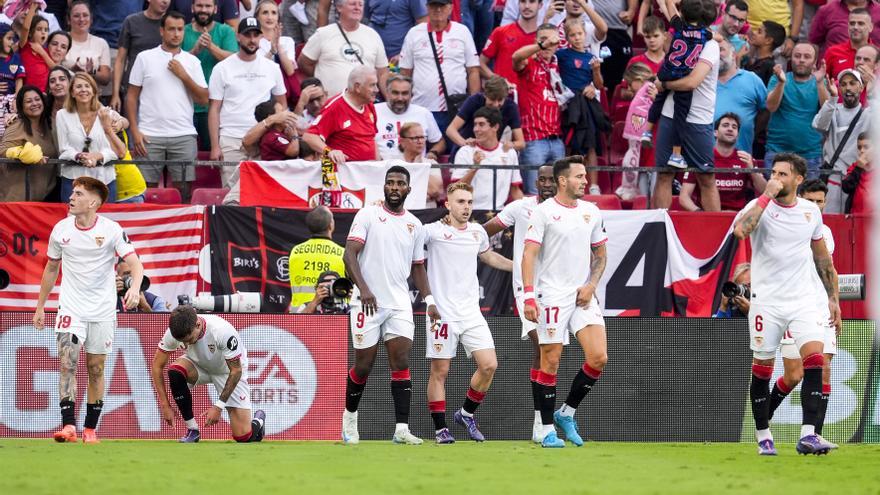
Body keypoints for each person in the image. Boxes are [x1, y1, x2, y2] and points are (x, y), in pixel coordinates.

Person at [732, 153, 841, 456]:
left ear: (798, 179)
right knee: (762, 369)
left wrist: (833, 298)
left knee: (815, 360)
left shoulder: (810, 212)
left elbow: (822, 258)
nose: (776, 178)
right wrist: (766, 196)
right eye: (774, 173)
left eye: (783, 174)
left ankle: (809, 435)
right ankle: (763, 435)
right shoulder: (759, 206)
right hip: (767, 302)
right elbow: (741, 231)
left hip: (803, 301)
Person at [33, 176, 143, 443]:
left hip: (103, 310)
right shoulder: (61, 229)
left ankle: (90, 429)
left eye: (79, 194)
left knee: (96, 368)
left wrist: (135, 288)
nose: (71, 198)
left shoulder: (112, 229)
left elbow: (135, 264)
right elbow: (51, 268)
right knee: (67, 362)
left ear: (93, 203)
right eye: (73, 193)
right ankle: (68, 426)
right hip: (71, 307)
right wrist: (40, 306)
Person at [341, 165, 440, 445]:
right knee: (364, 365)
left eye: (400, 183)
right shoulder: (368, 214)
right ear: (384, 186)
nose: (394, 187)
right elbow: (349, 255)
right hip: (366, 303)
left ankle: (401, 429)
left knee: (401, 361)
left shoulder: (414, 225)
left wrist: (430, 300)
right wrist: (364, 289)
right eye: (390, 182)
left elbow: (418, 267)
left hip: (398, 303)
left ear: (408, 189)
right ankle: (350, 419)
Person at [521, 156, 609, 448]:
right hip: (551, 295)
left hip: (582, 293)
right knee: (551, 360)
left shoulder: (591, 211)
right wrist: (529, 296)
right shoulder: (543, 212)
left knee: (598, 357)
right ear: (563, 180)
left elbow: (601, 255)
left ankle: (566, 413)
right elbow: (529, 255)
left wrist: (591, 285)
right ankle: (547, 430)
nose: (585, 181)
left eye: (585, 176)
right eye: (579, 176)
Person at [423, 182, 512, 443]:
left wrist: (519, 267)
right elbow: (404, 235)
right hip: (442, 315)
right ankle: (441, 430)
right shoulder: (432, 232)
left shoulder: (477, 232)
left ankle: (465, 413)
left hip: (471, 313)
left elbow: (489, 257)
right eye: (460, 202)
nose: (466, 207)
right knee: (440, 371)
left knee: (489, 365)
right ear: (447, 204)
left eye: (470, 202)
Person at [481, 163, 556, 442]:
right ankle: (541, 422)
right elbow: (483, 232)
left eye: (551, 180)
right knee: (543, 346)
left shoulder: (566, 211)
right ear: (536, 182)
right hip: (527, 289)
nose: (546, 184)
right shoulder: (520, 207)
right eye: (542, 180)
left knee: (547, 352)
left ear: (560, 182)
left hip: (556, 288)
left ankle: (542, 420)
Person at [766, 179, 839, 449]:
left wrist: (835, 302)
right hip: (792, 306)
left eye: (821, 201)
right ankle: (764, 417)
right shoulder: (785, 228)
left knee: (823, 369)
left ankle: (812, 436)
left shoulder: (825, 232)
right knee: (794, 375)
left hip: (820, 307)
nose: (816, 206)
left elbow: (828, 268)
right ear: (801, 199)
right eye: (811, 201)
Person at [150, 305, 266, 443]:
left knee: (243, 437)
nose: (185, 344)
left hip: (227, 371)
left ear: (198, 324)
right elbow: (157, 366)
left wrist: (218, 406)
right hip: (199, 366)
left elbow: (236, 371)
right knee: (175, 372)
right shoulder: (174, 332)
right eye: (182, 342)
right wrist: (165, 405)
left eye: (189, 339)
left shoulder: (222, 331)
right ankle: (192, 429)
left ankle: (258, 420)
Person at [126, 11, 207, 202]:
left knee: (184, 193)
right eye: (171, 29)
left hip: (183, 134)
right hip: (149, 135)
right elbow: (131, 96)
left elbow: (204, 99)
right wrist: (135, 131)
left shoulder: (192, 62)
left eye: (180, 29)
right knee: (145, 192)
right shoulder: (144, 58)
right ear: (162, 31)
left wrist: (184, 75)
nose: (176, 34)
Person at [651, 0, 720, 209]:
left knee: (706, 177)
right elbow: (670, 8)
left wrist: (663, 84)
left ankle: (717, 227)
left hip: (699, 119)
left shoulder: (711, 46)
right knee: (664, 174)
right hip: (671, 114)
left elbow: (691, 83)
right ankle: (660, 225)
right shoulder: (682, 35)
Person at [208, 16, 286, 194]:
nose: (252, 39)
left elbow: (282, 104)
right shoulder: (222, 68)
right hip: (231, 138)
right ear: (238, 36)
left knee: (261, 192)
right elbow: (214, 109)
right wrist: (215, 146)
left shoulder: (272, 68)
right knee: (231, 195)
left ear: (261, 37)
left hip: (263, 139)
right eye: (247, 35)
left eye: (256, 35)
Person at [642, 0, 716, 170]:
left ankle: (647, 131)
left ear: (683, 14)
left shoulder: (679, 26)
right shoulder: (705, 34)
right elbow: (715, 36)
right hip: (682, 75)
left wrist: (670, 2)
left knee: (658, 100)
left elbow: (670, 9)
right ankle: (676, 155)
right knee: (680, 117)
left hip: (666, 70)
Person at [398, 0, 480, 136]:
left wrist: (474, 104)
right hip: (422, 107)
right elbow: (405, 72)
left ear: (450, 8)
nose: (438, 10)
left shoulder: (462, 32)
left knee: (456, 147)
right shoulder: (414, 33)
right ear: (427, 8)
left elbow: (473, 70)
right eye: (434, 6)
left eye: (442, 5)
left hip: (456, 108)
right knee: (422, 147)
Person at [55, 73, 127, 203]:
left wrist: (98, 156)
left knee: (105, 216)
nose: (83, 90)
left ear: (93, 91)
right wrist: (79, 156)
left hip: (104, 180)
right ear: (72, 92)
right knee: (73, 216)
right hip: (72, 181)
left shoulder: (106, 113)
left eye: (87, 86)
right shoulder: (62, 115)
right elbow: (64, 148)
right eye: (78, 87)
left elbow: (118, 152)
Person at [513, 24, 566, 195]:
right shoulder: (529, 63)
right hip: (534, 140)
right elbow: (516, 57)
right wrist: (541, 46)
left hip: (557, 139)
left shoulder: (560, 65)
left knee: (559, 195)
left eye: (552, 41)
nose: (548, 44)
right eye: (543, 39)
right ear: (536, 41)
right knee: (533, 195)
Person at [297, 0, 389, 99]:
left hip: (364, 104)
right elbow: (304, 63)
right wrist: (324, 76)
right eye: (352, 4)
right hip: (330, 103)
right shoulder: (323, 34)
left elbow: (382, 73)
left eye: (360, 4)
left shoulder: (373, 35)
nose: (357, 8)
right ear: (339, 7)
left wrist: (388, 99)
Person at [765, 42, 828, 179]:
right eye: (797, 56)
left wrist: (819, 83)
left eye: (807, 57)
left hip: (810, 155)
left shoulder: (820, 82)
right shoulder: (778, 78)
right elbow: (771, 107)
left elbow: (827, 113)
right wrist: (781, 83)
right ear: (791, 58)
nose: (801, 60)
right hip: (777, 152)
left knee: (809, 193)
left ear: (814, 62)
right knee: (774, 192)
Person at [812, 68, 871, 213]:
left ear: (861, 87)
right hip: (832, 178)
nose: (848, 88)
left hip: (855, 179)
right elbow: (818, 126)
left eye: (852, 83)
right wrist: (832, 98)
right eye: (843, 84)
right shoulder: (833, 109)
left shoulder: (869, 114)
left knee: (851, 221)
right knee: (830, 221)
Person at [679, 112, 765, 212]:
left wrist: (752, 171)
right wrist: (701, 213)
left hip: (738, 217)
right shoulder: (701, 159)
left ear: (737, 135)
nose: (730, 129)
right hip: (709, 215)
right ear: (715, 132)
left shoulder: (746, 159)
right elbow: (684, 197)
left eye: (734, 127)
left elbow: (764, 191)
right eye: (725, 125)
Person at [557, 18, 604, 193]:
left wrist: (596, 72)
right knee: (568, 143)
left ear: (585, 35)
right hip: (569, 105)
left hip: (587, 105)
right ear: (567, 38)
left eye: (579, 34)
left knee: (590, 145)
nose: (577, 38)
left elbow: (599, 85)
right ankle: (564, 184)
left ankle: (594, 186)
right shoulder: (562, 55)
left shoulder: (591, 58)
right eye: (572, 35)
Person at [183, 0, 238, 151]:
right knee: (185, 156)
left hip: (215, 106)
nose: (204, 9)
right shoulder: (182, 30)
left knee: (213, 154)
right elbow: (174, 64)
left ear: (215, 9)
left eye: (208, 6)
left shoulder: (225, 31)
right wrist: (195, 50)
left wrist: (211, 46)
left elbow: (234, 61)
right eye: (200, 5)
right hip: (185, 105)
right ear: (192, 8)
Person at [302, 65, 379, 166]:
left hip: (367, 170)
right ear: (357, 87)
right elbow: (309, 137)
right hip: (341, 171)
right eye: (372, 85)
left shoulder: (369, 104)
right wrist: (329, 151)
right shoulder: (335, 107)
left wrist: (378, 165)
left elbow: (372, 139)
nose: (377, 90)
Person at [452, 107, 523, 210]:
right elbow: (455, 190)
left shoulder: (509, 153)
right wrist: (474, 168)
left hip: (498, 213)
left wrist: (528, 211)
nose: (476, 129)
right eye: (475, 124)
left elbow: (515, 190)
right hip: (469, 212)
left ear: (495, 127)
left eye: (481, 124)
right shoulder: (465, 152)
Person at [111, 0, 172, 112]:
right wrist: (115, 94)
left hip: (162, 92)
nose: (165, 2)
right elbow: (120, 60)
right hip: (133, 90)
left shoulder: (172, 24)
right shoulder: (131, 21)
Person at [0, 86, 59, 202]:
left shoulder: (49, 126)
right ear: (21, 106)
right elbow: (2, 150)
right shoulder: (16, 126)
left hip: (43, 195)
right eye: (28, 101)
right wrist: (23, 153)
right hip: (15, 196)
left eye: (37, 99)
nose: (34, 103)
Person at [446, 76, 525, 155]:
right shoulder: (474, 101)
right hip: (466, 153)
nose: (496, 104)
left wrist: (510, 145)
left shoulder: (510, 107)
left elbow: (521, 142)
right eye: (492, 99)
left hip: (491, 154)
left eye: (500, 100)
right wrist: (466, 144)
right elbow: (450, 130)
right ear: (485, 95)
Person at [714, 38, 768, 155]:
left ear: (733, 54)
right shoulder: (702, 79)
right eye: (713, 51)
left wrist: (749, 129)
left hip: (741, 155)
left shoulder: (752, 79)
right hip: (705, 156)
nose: (716, 54)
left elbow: (766, 111)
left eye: (721, 50)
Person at [288, 205, 345, 311]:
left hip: (300, 314)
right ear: (330, 225)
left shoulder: (295, 251)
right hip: (331, 315)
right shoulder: (342, 254)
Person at [374, 75, 444, 161]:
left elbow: (440, 142)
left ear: (411, 95)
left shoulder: (423, 113)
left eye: (405, 93)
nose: (400, 98)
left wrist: (432, 153)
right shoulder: (373, 111)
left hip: (416, 166)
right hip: (381, 165)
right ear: (387, 93)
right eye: (395, 93)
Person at [480, 0, 542, 85]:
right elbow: (480, 63)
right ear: (518, 4)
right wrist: (499, 81)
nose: (527, 6)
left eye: (532, 2)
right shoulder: (501, 32)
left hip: (531, 92)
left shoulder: (543, 39)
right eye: (523, 1)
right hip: (504, 92)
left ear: (540, 5)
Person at [389, 122, 445, 206]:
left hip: (426, 209)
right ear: (402, 141)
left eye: (422, 137)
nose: (420, 141)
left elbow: (435, 191)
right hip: (399, 208)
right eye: (415, 138)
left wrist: (418, 165)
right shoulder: (393, 163)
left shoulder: (431, 163)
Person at [63, 1, 112, 91]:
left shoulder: (101, 43)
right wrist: (71, 70)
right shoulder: (61, 40)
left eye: (85, 15)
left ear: (91, 19)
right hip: (66, 93)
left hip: (92, 95)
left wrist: (92, 71)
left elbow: (106, 79)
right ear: (68, 20)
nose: (81, 19)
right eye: (76, 16)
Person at [362, 0, 427, 60]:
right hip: (372, 55)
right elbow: (362, 19)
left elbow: (423, 25)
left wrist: (405, 54)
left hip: (399, 59)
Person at [822, 8, 873, 80]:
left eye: (861, 24)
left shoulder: (878, 54)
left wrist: (873, 81)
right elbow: (822, 81)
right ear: (848, 26)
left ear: (871, 27)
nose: (855, 27)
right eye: (852, 23)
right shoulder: (833, 52)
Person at [254, 0, 297, 83]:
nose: (270, 17)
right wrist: (271, 51)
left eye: (274, 13)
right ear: (257, 17)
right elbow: (257, 70)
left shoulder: (287, 41)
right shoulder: (253, 41)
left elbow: (290, 71)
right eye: (265, 12)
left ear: (278, 18)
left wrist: (278, 45)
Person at [809, 0, 880, 50]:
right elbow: (813, 43)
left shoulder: (878, 11)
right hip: (835, 64)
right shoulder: (827, 10)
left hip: (873, 65)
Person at [18, 4, 53, 91]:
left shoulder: (46, 51)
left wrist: (42, 52)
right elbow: (25, 28)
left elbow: (55, 68)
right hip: (26, 92)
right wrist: (33, 7)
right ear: (30, 33)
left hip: (42, 94)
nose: (43, 32)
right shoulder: (25, 45)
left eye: (46, 30)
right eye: (39, 29)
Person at [743, 20, 786, 85]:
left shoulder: (767, 65)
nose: (754, 33)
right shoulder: (758, 61)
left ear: (768, 40)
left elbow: (746, 84)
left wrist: (738, 58)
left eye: (759, 32)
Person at [841, 131, 874, 214]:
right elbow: (846, 187)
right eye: (859, 147)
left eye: (866, 147)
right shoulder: (854, 167)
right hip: (856, 216)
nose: (862, 151)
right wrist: (858, 168)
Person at [172, 0, 241, 28]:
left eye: (208, 6)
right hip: (183, 44)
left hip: (216, 44)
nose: (203, 10)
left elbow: (234, 27)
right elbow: (169, 21)